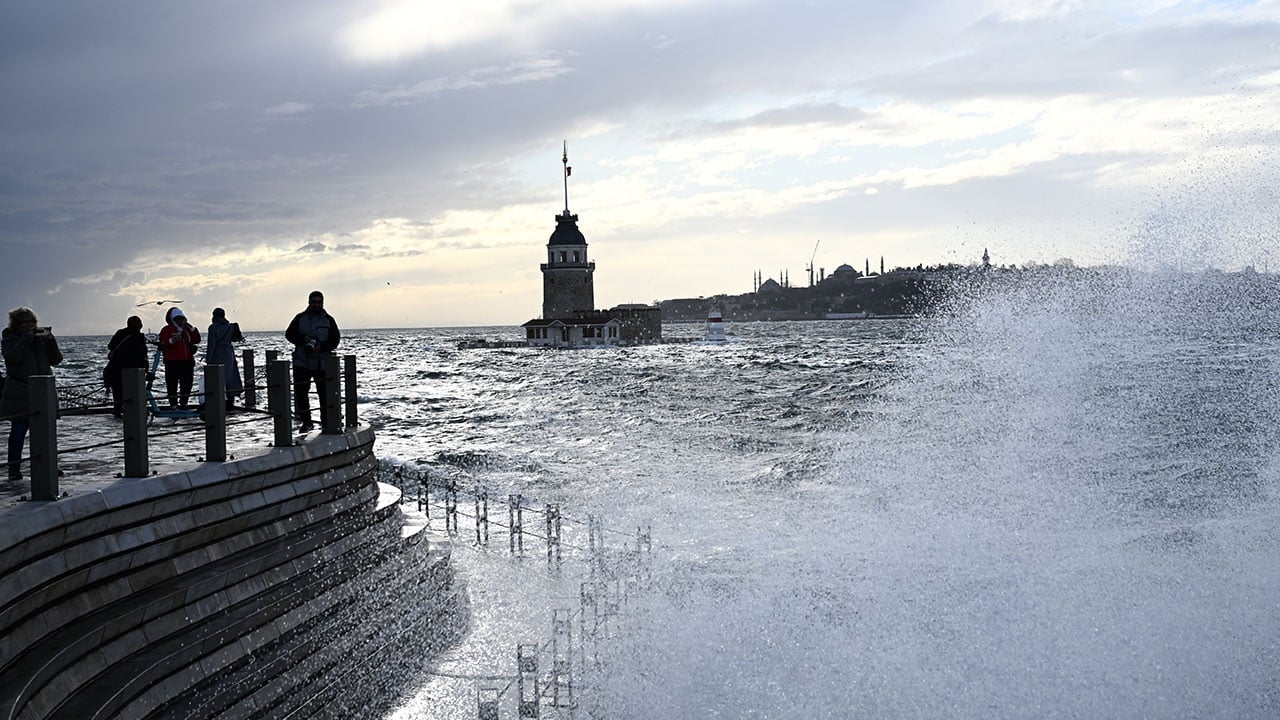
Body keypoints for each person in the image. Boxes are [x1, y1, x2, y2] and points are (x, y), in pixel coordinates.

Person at [1, 307, 62, 482]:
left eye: (32, 322)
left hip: (43, 389)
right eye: (25, 322)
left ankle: (48, 465)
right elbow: (12, 358)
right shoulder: (9, 337)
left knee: (46, 431)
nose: (30, 326)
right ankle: (14, 468)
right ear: (16, 324)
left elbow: (56, 360)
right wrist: (25, 340)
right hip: (20, 390)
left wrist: (51, 341)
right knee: (19, 430)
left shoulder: (40, 338)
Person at [285, 291, 340, 432]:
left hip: (322, 363)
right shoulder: (300, 318)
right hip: (301, 363)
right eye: (314, 302)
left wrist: (322, 347)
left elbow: (335, 340)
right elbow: (289, 334)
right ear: (309, 302)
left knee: (324, 394)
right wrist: (303, 339)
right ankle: (307, 422)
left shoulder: (329, 320)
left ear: (323, 303)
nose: (316, 304)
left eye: (319, 302)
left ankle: (326, 422)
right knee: (301, 394)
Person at [104, 315, 150, 417]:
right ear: (140, 326)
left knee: (118, 392)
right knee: (136, 392)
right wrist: (146, 368)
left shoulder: (120, 333)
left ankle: (118, 411)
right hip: (135, 369)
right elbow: (143, 353)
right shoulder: (139, 337)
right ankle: (138, 410)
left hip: (116, 368)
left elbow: (110, 346)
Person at [157, 307, 200, 410]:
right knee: (172, 385)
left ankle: (183, 404)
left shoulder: (186, 330)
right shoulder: (166, 329)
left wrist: (191, 327)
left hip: (187, 362)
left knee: (187, 384)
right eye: (177, 319)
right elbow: (163, 343)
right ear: (172, 319)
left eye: (182, 318)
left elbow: (197, 339)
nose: (180, 321)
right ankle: (173, 405)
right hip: (172, 362)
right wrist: (172, 340)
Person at [204, 308, 244, 410]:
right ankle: (231, 401)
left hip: (217, 353)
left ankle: (220, 401)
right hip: (229, 353)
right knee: (230, 377)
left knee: (218, 378)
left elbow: (211, 345)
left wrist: (208, 359)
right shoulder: (230, 326)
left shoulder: (213, 327)